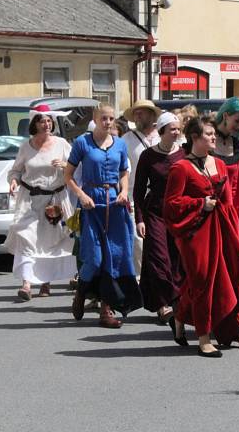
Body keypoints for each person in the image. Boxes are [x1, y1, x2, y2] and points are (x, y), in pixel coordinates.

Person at [164, 116, 239, 357]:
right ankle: (204, 337)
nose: (214, 137)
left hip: (221, 229)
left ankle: (180, 316)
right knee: (202, 280)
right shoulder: (180, 168)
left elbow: (228, 200)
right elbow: (171, 205)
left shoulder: (219, 164)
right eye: (208, 134)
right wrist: (199, 204)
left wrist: (232, 228)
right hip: (193, 233)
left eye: (214, 133)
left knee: (222, 277)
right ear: (194, 137)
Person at [65, 105, 142, 328]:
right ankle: (81, 291)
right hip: (92, 202)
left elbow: (124, 172)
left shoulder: (119, 144)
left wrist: (124, 191)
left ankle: (106, 311)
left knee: (115, 256)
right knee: (95, 257)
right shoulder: (82, 143)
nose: (108, 122)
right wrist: (81, 195)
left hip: (115, 204)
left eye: (111, 119)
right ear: (96, 120)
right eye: (104, 118)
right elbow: (68, 175)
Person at [6, 105, 76, 301]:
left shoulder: (62, 144)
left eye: (48, 121)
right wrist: (13, 181)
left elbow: (76, 168)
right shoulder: (26, 147)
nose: (46, 124)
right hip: (29, 200)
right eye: (42, 121)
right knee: (27, 238)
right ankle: (26, 284)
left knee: (50, 242)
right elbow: (16, 171)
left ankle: (45, 282)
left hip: (56, 200)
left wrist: (65, 166)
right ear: (34, 124)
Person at [133, 112, 185, 325]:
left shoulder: (184, 154)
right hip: (154, 211)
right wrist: (139, 219)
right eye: (172, 129)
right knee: (158, 257)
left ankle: (177, 302)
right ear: (161, 131)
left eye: (178, 129)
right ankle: (163, 305)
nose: (176, 132)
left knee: (177, 259)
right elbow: (138, 191)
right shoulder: (148, 156)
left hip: (178, 212)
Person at [122, 100, 162, 276]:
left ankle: (157, 275)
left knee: (158, 238)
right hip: (133, 195)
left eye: (142, 112)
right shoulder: (126, 140)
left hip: (159, 195)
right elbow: (121, 169)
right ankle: (140, 277)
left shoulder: (163, 136)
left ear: (152, 115)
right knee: (137, 239)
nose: (138, 116)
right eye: (136, 113)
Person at [213, 97, 239, 230]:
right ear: (226, 116)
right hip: (210, 209)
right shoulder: (206, 139)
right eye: (237, 121)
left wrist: (238, 212)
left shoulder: (237, 145)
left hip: (231, 209)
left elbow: (237, 184)